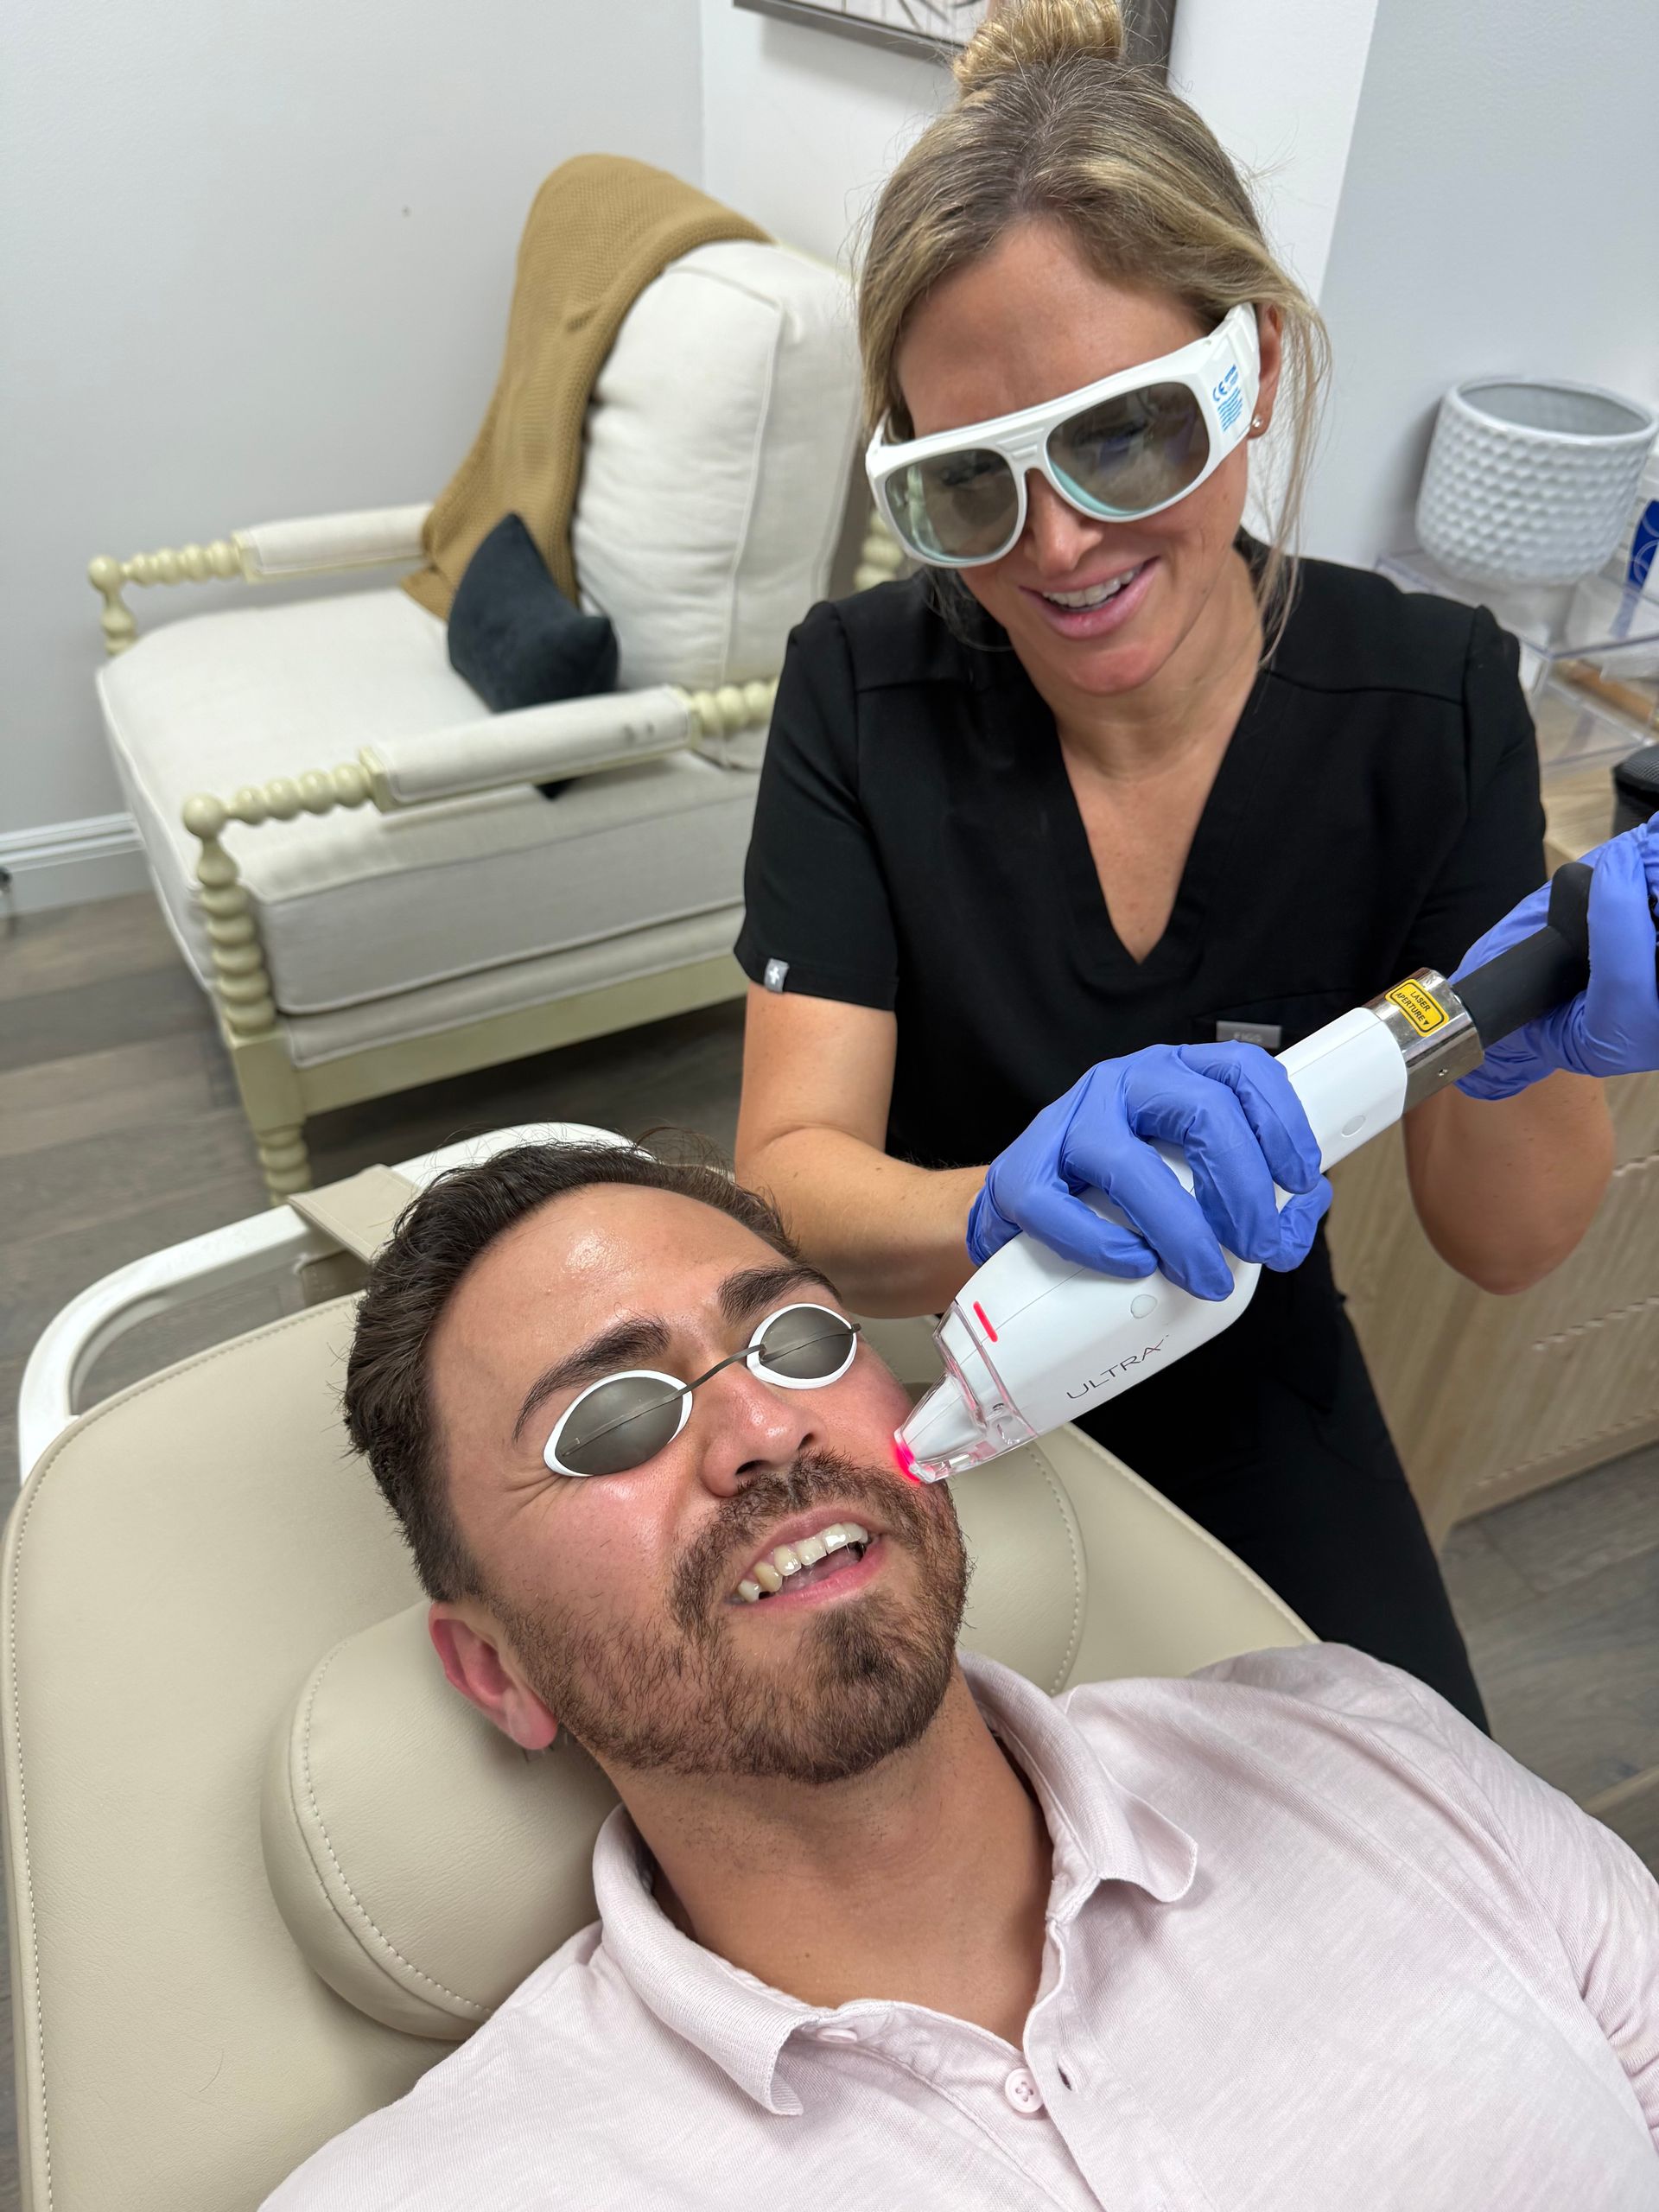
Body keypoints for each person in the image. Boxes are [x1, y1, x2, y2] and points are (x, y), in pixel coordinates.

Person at [732, 0, 1650, 1728]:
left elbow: (1510, 1241)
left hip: (1250, 1375)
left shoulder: (1430, 705)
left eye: (1127, 433)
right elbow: (787, 1179)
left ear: (1259, 375)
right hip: (942, 1349)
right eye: (971, 493)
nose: (1062, 544)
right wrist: (988, 1204)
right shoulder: (862, 692)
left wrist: (1511, 1041)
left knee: (1418, 1807)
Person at [268, 1140, 1659, 2209]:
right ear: (496, 1671)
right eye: (610, 1418)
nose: (764, 1427)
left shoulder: (1370, 1752)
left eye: (800, 1339)